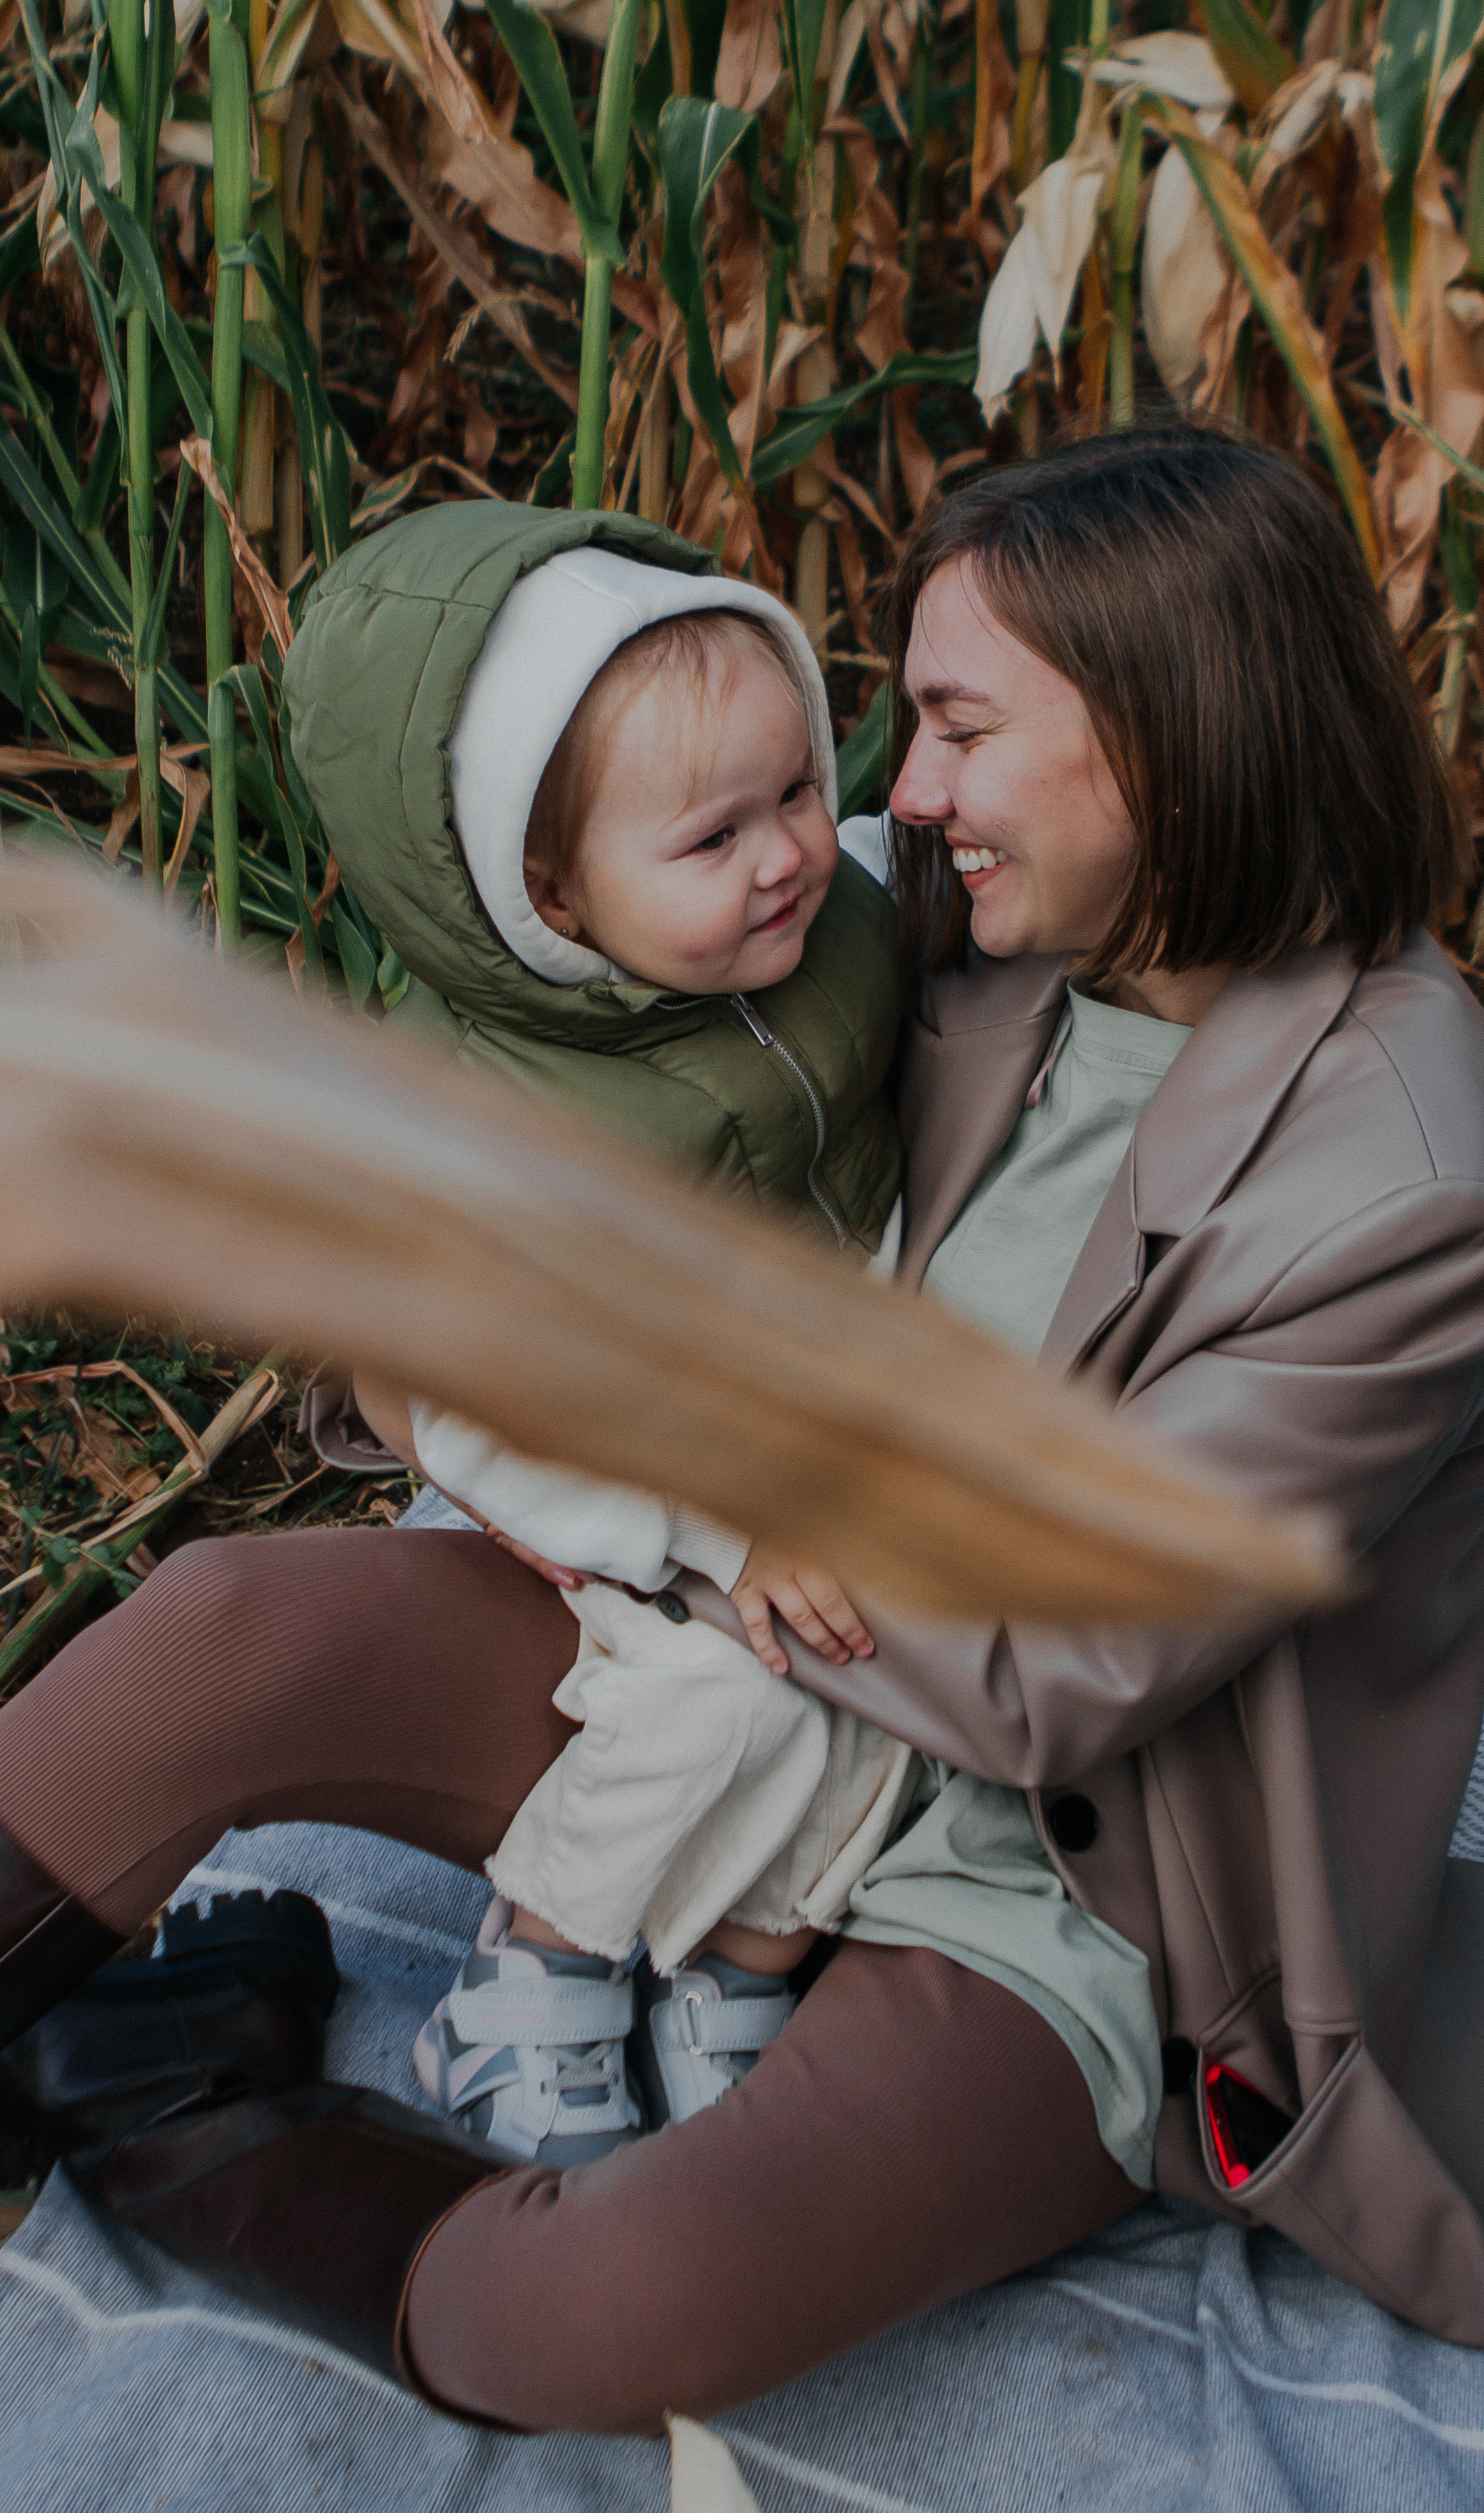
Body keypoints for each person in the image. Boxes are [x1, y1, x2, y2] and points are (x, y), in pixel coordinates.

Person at [0, 427, 1484, 2443]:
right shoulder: (952, 921)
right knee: (228, 1624)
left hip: (1063, 1880)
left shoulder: (1411, 1180)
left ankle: (157, 2083)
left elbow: (1069, 1658)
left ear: (1169, 735)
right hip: (745, 1668)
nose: (896, 797)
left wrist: (703, 1516)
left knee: (591, 2310)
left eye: (955, 728)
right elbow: (567, 1016)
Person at [285, 528, 923, 2161]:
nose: (784, 855)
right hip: (573, 1439)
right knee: (724, 1697)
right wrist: (718, 1525)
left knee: (894, 1677)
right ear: (549, 897)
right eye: (711, 836)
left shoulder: (819, 921)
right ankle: (540, 1955)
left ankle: (741, 1954)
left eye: (791, 790)